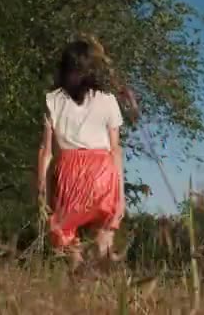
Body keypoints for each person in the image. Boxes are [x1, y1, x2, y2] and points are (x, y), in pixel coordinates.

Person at [36, 37, 125, 266]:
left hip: (69, 172)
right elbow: (115, 150)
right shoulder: (108, 100)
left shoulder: (52, 100)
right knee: (104, 235)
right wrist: (121, 198)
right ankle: (104, 288)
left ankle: (79, 280)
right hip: (103, 172)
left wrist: (42, 190)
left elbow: (46, 151)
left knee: (66, 236)